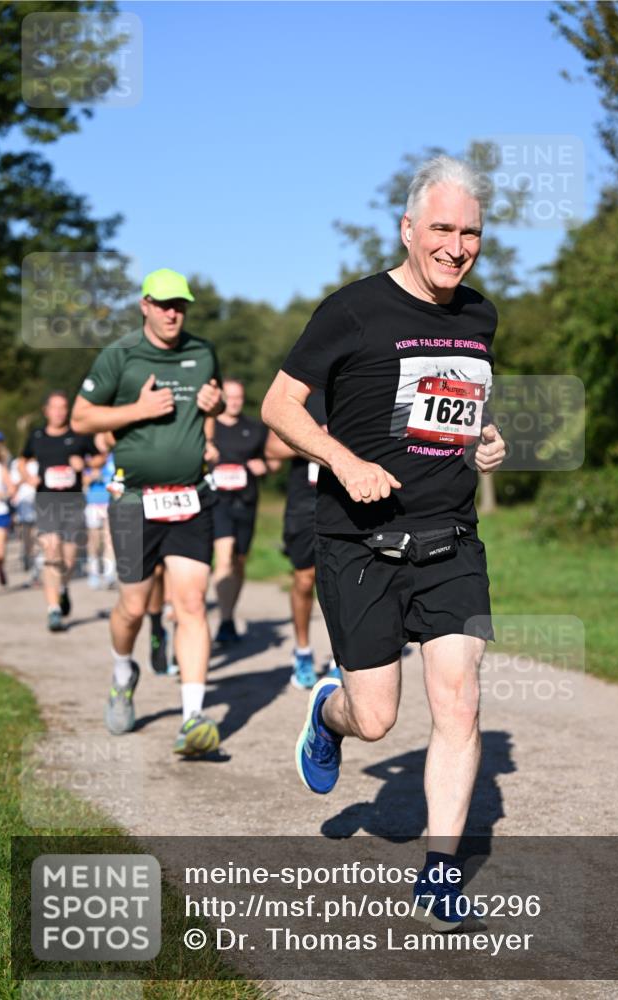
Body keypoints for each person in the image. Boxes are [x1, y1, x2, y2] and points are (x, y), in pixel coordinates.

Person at [262, 156, 506, 930]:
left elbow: (449, 408)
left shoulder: (479, 317)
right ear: (407, 229)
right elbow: (279, 405)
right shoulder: (353, 310)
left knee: (459, 705)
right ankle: (325, 714)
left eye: (468, 232)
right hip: (359, 544)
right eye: (441, 228)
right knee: (376, 720)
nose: (455, 245)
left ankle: (439, 874)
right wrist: (341, 458)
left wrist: (485, 435)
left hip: (450, 541)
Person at [71, 268, 225, 756]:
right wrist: (136, 410)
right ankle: (123, 673)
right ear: (144, 305)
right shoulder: (120, 356)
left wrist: (215, 405)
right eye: (162, 304)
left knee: (192, 605)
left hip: (190, 496)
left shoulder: (202, 353)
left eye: (179, 304)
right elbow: (81, 418)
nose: (172, 312)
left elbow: (210, 407)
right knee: (134, 607)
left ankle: (193, 719)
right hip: (135, 499)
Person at [265, 391, 339, 689]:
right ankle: (303, 652)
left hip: (346, 498)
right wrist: (314, 439)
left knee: (341, 581)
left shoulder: (357, 386)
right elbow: (271, 448)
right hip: (305, 502)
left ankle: (341, 660)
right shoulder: (304, 394)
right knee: (305, 579)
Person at [18, 392, 99, 631]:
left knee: (69, 559)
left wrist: (85, 465)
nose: (59, 412)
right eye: (55, 408)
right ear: (46, 410)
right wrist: (27, 477)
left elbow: (100, 458)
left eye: (63, 408)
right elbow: (23, 460)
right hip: (46, 500)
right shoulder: (37, 436)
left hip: (73, 501)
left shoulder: (79, 435)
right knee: (50, 549)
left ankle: (63, 588)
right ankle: (53, 610)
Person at [209, 378, 268, 644]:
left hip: (246, 502)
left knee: (239, 562)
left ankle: (229, 615)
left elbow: (272, 460)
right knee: (224, 557)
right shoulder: (208, 430)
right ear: (221, 397)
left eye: (238, 398)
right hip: (217, 501)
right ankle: (224, 620)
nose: (234, 402)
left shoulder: (254, 429)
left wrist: (264, 466)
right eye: (229, 397)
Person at [83, 433, 116, 589]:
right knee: (94, 542)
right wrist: (91, 477)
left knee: (109, 540)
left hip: (110, 503)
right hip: (93, 503)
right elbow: (81, 480)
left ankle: (109, 574)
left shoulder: (115, 458)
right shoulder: (88, 459)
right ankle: (94, 572)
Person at [0, 433, 16, 590]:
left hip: (0, 512)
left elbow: (12, 489)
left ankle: (0, 567)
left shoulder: (1, 469)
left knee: (0, 552)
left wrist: (3, 494)